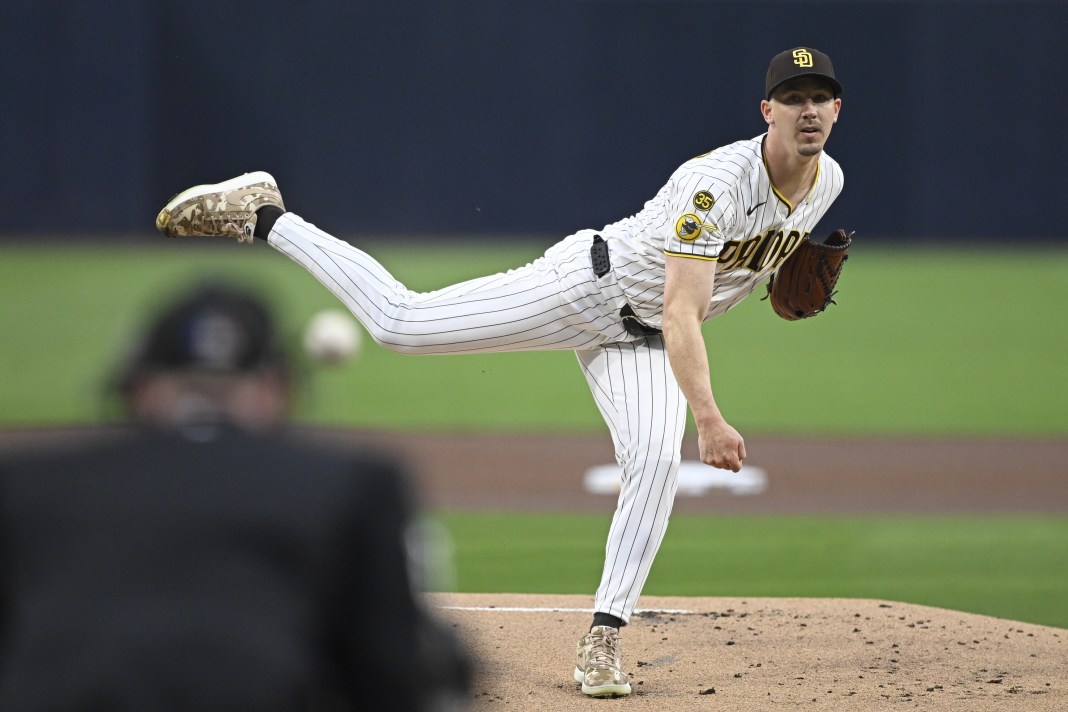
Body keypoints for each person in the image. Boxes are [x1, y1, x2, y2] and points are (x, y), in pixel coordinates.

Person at [155, 47, 845, 697]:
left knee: (656, 462)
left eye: (820, 97)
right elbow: (681, 310)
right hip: (588, 289)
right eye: (793, 99)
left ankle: (605, 637)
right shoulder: (715, 186)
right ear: (767, 112)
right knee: (401, 324)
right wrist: (710, 417)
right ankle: (266, 214)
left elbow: (744, 270)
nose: (807, 110)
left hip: (642, 342)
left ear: (837, 110)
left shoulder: (828, 182)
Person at [0, 284, 469, 711]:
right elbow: (394, 676)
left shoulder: (22, 485)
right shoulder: (352, 486)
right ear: (276, 390)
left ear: (136, 388)